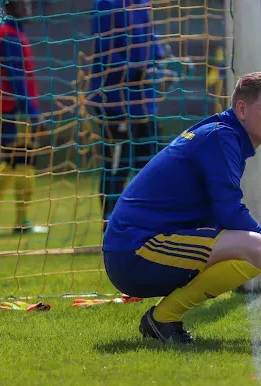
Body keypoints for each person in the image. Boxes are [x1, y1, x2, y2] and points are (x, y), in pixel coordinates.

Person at [102, 72, 261, 344]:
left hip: (138, 249)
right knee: (258, 248)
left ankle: (162, 319)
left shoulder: (221, 134)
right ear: (241, 109)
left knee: (251, 245)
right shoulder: (221, 137)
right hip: (135, 252)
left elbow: (220, 214)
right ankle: (163, 319)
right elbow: (229, 212)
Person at [89, 0, 168, 231]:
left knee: (153, 163)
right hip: (115, 101)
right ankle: (110, 222)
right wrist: (135, 69)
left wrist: (161, 60)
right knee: (117, 164)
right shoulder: (107, 4)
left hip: (144, 103)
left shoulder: (143, 2)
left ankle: (151, 221)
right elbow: (105, 52)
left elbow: (152, 40)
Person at [0, 0, 47, 235]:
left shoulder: (11, 31)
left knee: (12, 162)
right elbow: (17, 77)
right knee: (22, 162)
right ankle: (19, 221)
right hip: (15, 109)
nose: (28, 7)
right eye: (23, 3)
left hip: (10, 107)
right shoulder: (9, 34)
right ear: (9, 6)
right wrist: (34, 113)